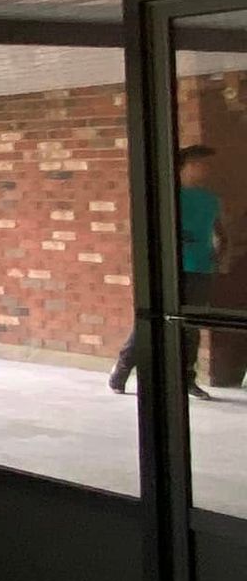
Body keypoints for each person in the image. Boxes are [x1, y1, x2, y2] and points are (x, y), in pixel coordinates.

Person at [110, 144, 222, 398]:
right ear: (186, 166)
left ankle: (187, 379)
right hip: (170, 270)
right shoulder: (168, 196)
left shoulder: (211, 199)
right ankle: (123, 368)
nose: (207, 169)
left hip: (200, 269)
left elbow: (218, 231)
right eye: (201, 164)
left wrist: (218, 255)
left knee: (190, 327)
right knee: (150, 322)